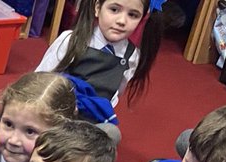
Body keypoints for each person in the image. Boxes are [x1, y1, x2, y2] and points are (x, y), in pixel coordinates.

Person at [35, 0, 163, 139]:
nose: (122, 21)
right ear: (97, 8)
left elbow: (114, 94)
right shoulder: (71, 40)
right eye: (114, 10)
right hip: (55, 115)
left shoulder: (132, 56)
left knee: (112, 135)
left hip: (90, 124)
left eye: (132, 15)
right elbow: (39, 81)